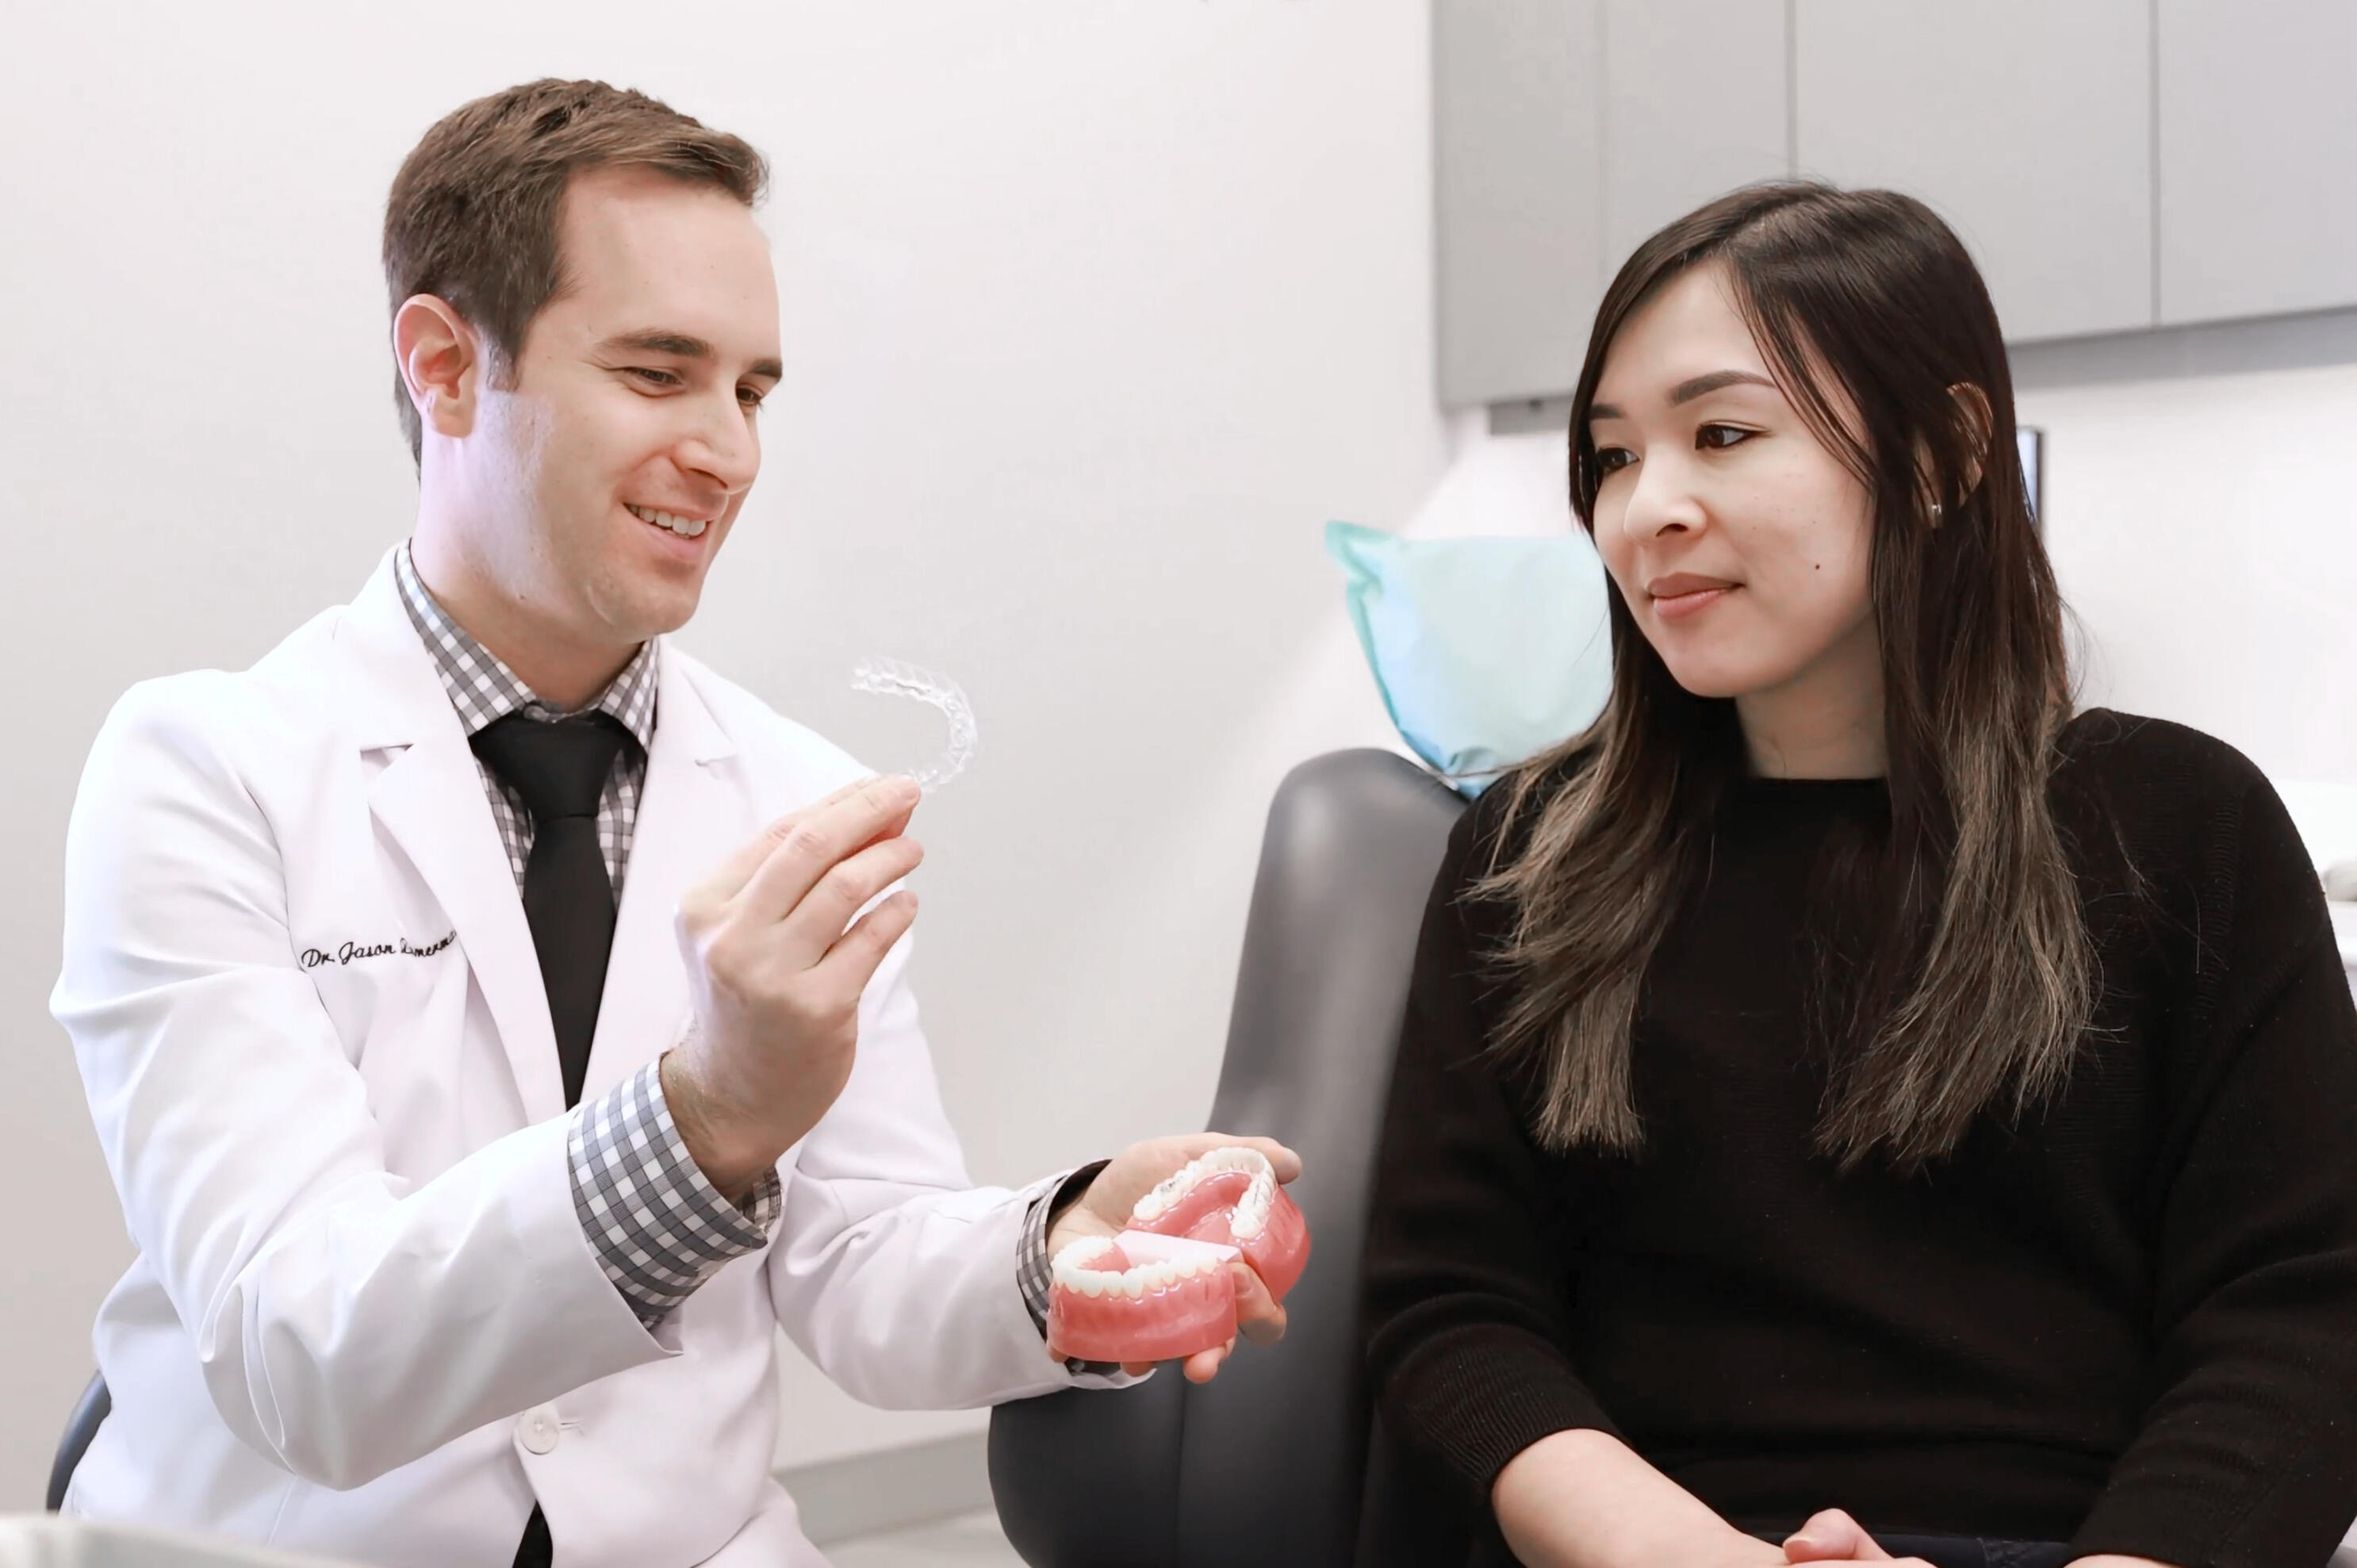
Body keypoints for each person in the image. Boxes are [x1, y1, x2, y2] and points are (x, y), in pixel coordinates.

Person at [52, 79, 1293, 1567]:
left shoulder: (790, 794)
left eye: (751, 391)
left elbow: (860, 1259)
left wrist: (1056, 1248)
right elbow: (297, 1352)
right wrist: (703, 1121)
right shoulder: (203, 772)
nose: (729, 451)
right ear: (445, 367)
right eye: (659, 373)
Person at [1359, 182, 2357, 1568]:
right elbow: (1449, 1311)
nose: (1647, 510)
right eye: (1612, 456)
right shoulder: (1527, 855)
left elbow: (2302, 1316)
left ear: (1945, 451)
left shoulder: (2184, 826)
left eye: (1722, 433)